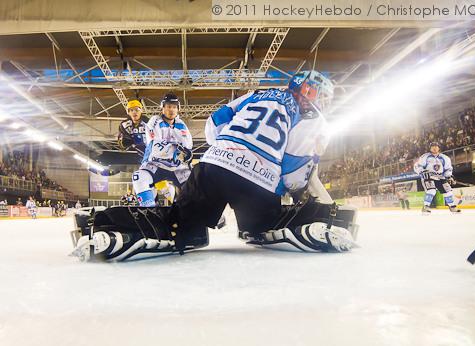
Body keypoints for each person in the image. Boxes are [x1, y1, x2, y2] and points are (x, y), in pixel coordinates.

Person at [71, 71, 359, 261]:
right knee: (264, 224)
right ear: (307, 94)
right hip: (257, 184)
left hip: (213, 166)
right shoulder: (313, 119)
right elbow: (295, 174)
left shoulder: (257, 94)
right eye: (320, 96)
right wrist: (283, 186)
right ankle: (322, 220)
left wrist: (228, 152)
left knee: (180, 224)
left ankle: (105, 222)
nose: (322, 103)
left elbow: (214, 123)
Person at [132, 93, 193, 206]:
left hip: (177, 167)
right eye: (168, 106)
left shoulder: (181, 124)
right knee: (139, 177)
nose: (171, 110)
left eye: (174, 107)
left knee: (195, 184)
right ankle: (149, 211)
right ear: (163, 108)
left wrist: (184, 152)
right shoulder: (155, 120)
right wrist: (178, 149)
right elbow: (155, 144)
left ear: (178, 109)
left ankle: (199, 213)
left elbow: (188, 146)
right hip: (154, 164)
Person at [413, 142, 460, 214]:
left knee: (448, 191)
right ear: (430, 148)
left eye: (436, 146)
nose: (434, 148)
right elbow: (417, 166)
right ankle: (426, 207)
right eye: (432, 147)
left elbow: (448, 168)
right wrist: (422, 172)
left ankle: (452, 207)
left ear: (439, 148)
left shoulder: (445, 158)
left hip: (440, 177)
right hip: (429, 176)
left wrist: (449, 176)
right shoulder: (425, 157)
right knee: (431, 191)